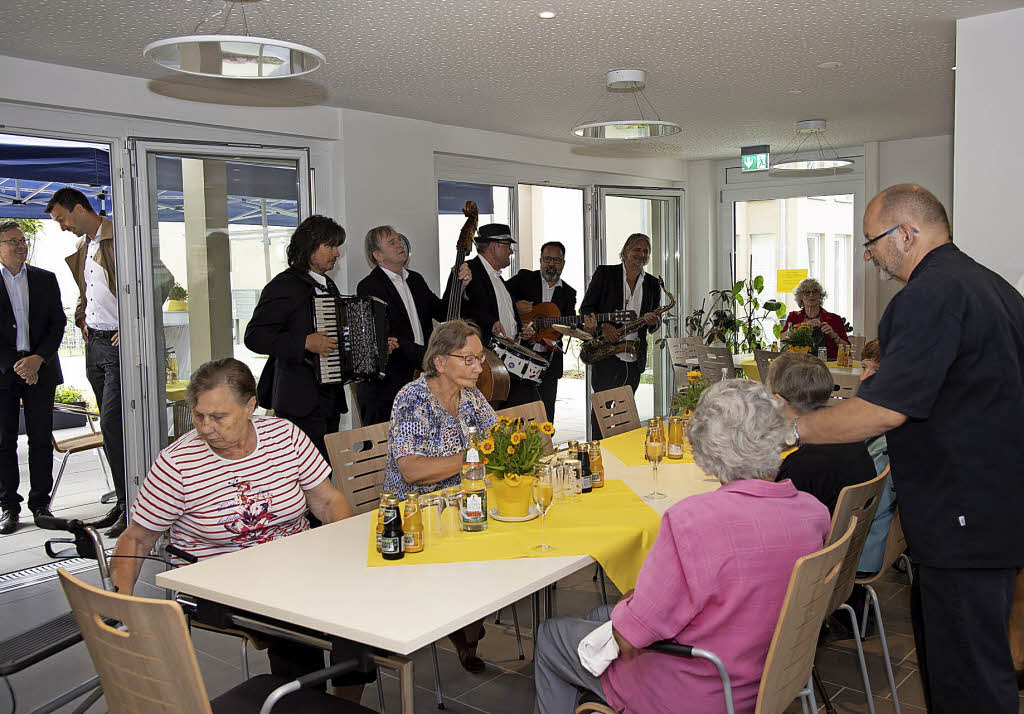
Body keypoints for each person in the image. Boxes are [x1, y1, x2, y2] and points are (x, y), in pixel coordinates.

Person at [791, 184, 1024, 714]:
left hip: (962, 516)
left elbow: (884, 408)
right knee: (981, 665)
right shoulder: (993, 287)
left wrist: (792, 432)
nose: (869, 255)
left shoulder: (929, 294)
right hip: (998, 506)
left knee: (965, 676)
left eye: (872, 242)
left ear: (906, 233)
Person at [532, 379, 830, 714]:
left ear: (704, 450)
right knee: (600, 616)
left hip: (694, 689)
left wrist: (634, 605)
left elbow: (631, 637)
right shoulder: (812, 513)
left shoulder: (693, 521)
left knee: (551, 636)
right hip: (766, 678)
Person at [109, 358, 373, 700]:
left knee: (360, 603)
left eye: (218, 417)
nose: (205, 427)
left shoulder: (285, 436)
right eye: (199, 415)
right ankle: (303, 702)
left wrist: (347, 551)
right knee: (296, 615)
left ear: (251, 406)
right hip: (218, 585)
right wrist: (119, 607)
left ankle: (342, 705)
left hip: (295, 564)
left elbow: (327, 501)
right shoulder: (177, 464)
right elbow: (137, 539)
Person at [46, 187, 172, 538]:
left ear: (80, 208)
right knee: (110, 429)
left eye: (62, 219)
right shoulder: (85, 247)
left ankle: (136, 506)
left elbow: (163, 282)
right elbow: (91, 292)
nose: (62, 226)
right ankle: (122, 501)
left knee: (116, 428)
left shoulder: (122, 238)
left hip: (120, 346)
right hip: (96, 345)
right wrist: (82, 317)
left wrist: (134, 326)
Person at [383, 320, 496, 672]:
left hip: (463, 504)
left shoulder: (471, 396)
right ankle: (463, 629)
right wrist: (472, 459)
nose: (479, 368)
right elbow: (412, 470)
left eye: (480, 359)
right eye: (470, 360)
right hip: (416, 516)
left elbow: (498, 439)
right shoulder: (412, 399)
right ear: (441, 361)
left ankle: (469, 627)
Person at [244, 215, 349, 462]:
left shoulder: (328, 286)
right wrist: (304, 342)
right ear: (309, 246)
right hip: (298, 400)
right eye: (330, 246)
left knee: (324, 471)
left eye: (337, 247)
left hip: (329, 399)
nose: (336, 253)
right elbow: (255, 336)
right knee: (302, 473)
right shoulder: (284, 285)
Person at [355, 225, 470, 425]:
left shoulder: (415, 279)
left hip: (420, 372)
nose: (400, 244)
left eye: (399, 239)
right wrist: (427, 357)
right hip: (390, 383)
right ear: (378, 255)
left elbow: (443, 312)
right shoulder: (369, 286)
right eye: (392, 242)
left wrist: (457, 282)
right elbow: (389, 337)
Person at [0, 221, 65, 534]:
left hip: (41, 368)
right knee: (3, 441)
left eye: (22, 240)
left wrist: (37, 360)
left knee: (41, 439)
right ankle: (8, 506)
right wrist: (15, 365)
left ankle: (41, 504)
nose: (19, 245)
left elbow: (58, 324)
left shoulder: (45, 279)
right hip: (3, 373)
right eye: (11, 241)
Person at [766, 351, 875, 515]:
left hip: (812, 537)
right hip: (843, 534)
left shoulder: (800, 466)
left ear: (778, 401)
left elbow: (775, 519)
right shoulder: (850, 439)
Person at [445, 223, 538, 407]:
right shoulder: (468, 270)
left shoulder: (499, 278)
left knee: (530, 409)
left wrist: (520, 330)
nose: (511, 252)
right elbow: (455, 308)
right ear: (494, 246)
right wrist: (489, 322)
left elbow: (503, 312)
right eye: (508, 246)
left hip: (509, 361)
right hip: (488, 364)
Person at [580, 233, 661, 436]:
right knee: (602, 411)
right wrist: (603, 326)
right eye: (637, 249)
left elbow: (654, 322)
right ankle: (596, 455)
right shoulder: (605, 274)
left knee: (625, 413)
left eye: (646, 251)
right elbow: (586, 308)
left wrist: (653, 322)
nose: (641, 254)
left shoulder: (652, 283)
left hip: (634, 357)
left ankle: (620, 457)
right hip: (607, 354)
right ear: (624, 252)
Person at [505, 240, 577, 421]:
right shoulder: (524, 279)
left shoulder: (569, 293)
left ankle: (546, 449)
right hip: (519, 356)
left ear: (563, 263)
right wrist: (515, 307)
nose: (551, 264)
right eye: (547, 259)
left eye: (556, 260)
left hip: (549, 362)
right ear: (540, 260)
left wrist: (586, 327)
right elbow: (499, 298)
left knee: (546, 415)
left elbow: (570, 324)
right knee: (517, 413)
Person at [779, 278, 850, 360]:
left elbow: (847, 349)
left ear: (820, 296)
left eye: (815, 292)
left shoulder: (834, 319)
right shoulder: (794, 316)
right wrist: (803, 327)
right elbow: (782, 338)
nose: (811, 295)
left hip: (827, 365)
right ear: (801, 296)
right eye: (807, 292)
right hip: (798, 362)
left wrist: (833, 335)